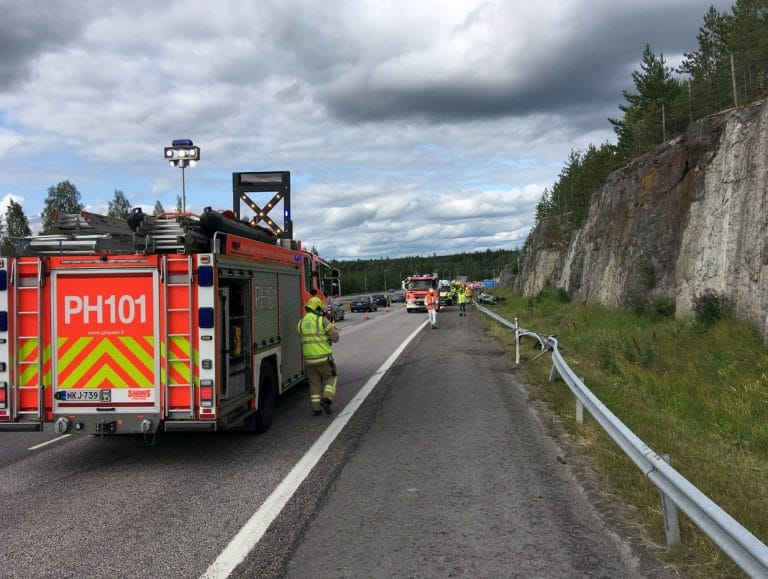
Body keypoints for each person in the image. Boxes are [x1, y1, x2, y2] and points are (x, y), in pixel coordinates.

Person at [297, 296, 340, 416]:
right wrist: (327, 336)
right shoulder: (322, 320)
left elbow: (301, 337)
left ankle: (316, 409)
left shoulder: (301, 322)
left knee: (314, 383)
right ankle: (326, 399)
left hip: (308, 360)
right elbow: (335, 337)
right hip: (323, 358)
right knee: (332, 377)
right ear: (317, 308)